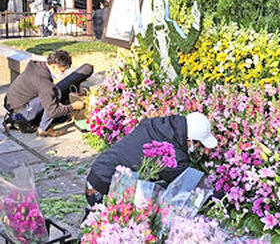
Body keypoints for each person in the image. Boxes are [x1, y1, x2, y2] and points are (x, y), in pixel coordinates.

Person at [85, 112, 218, 206]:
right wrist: (218, 196)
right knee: (164, 199)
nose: (199, 148)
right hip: (104, 190)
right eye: (198, 144)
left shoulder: (156, 125)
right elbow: (188, 184)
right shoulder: (171, 153)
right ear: (189, 140)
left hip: (95, 175)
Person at [3, 50, 85, 137]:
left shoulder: (37, 67)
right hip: (21, 113)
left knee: (53, 93)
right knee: (55, 93)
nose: (62, 73)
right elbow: (52, 112)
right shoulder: (44, 82)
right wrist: (73, 106)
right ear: (54, 66)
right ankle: (43, 129)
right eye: (62, 70)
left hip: (12, 106)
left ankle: (27, 120)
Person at [137, 0, 201, 81]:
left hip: (172, 69)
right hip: (158, 71)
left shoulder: (171, 26)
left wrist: (196, 22)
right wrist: (137, 30)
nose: (160, 12)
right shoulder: (150, 28)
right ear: (152, 11)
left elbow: (185, 46)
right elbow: (145, 46)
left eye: (162, 7)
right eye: (156, 8)